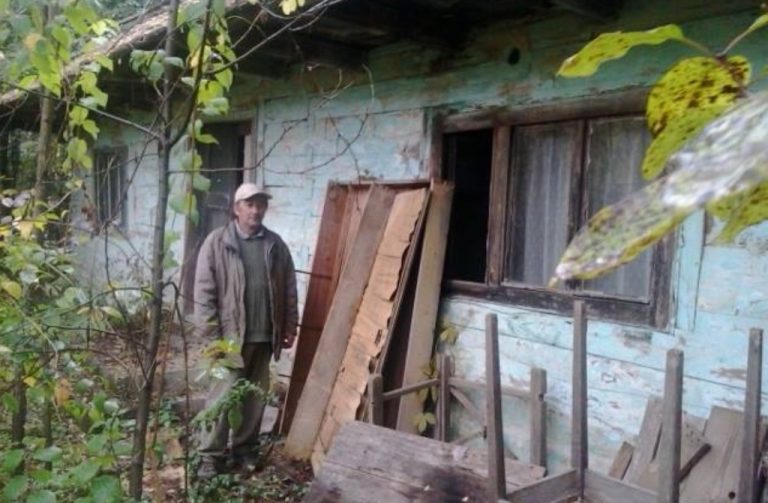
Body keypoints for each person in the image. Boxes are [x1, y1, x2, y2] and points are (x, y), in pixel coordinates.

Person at [193, 182, 298, 477]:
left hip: (264, 337)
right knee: (222, 397)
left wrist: (289, 325)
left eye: (260, 204)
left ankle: (245, 450)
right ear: (236, 209)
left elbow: (289, 288)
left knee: (254, 399)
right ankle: (210, 457)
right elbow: (203, 294)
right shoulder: (217, 242)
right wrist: (211, 339)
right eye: (250, 204)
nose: (256, 210)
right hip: (229, 340)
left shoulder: (275, 244)